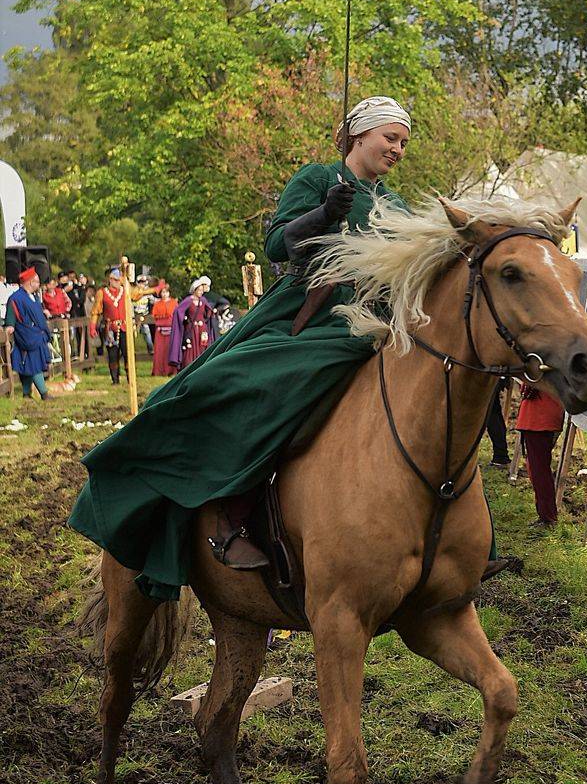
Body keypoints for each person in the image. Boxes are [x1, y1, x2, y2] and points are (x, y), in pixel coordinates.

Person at [69, 96, 414, 598]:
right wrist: (323, 213)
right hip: (311, 314)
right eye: (390, 137)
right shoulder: (319, 178)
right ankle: (229, 507)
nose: (398, 149)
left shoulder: (397, 205)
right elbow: (278, 245)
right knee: (238, 383)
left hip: (378, 321)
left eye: (403, 142)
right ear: (359, 134)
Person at [515, 379, 566, 527]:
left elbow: (530, 384)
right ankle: (546, 515)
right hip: (540, 418)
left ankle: (547, 517)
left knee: (539, 471)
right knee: (537, 469)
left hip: (539, 419)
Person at [4, 267, 52, 400]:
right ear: (31, 282)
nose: (39, 284)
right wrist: (10, 326)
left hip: (38, 334)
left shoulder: (34, 297)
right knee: (33, 365)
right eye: (37, 282)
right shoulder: (16, 298)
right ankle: (44, 394)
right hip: (27, 336)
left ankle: (26, 394)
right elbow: (11, 316)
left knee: (28, 366)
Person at [89, 267, 132, 385]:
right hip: (110, 329)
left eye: (119, 280)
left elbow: (138, 293)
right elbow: (96, 311)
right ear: (110, 280)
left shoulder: (125, 291)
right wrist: (92, 326)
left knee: (127, 354)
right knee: (113, 355)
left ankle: (130, 379)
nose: (118, 283)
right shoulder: (102, 293)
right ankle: (115, 380)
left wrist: (156, 289)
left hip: (124, 327)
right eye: (116, 280)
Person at [168, 277, 219, 371]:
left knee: (202, 346)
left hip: (202, 329)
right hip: (192, 329)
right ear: (194, 290)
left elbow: (208, 312)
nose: (200, 292)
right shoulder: (188, 300)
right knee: (190, 347)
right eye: (199, 290)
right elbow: (178, 312)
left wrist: (212, 313)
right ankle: (189, 367)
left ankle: (202, 367)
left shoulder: (203, 300)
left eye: (201, 290)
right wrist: (184, 319)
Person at [150, 282, 177, 377]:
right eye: (163, 292)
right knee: (160, 350)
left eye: (166, 292)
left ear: (169, 293)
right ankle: (159, 370)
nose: (164, 294)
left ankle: (170, 370)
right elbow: (154, 316)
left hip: (171, 330)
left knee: (170, 350)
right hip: (160, 331)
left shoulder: (174, 303)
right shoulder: (157, 304)